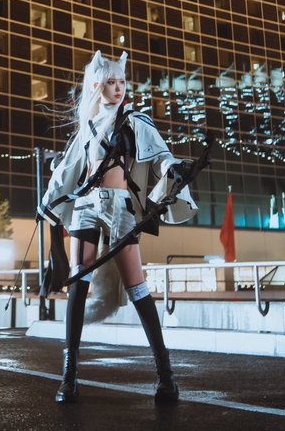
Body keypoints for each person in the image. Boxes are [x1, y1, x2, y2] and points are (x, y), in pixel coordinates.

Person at [38, 50, 198, 405]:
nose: (118, 88)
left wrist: (173, 168)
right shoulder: (88, 126)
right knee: (78, 281)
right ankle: (69, 377)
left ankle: (166, 375)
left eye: (121, 81)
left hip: (120, 206)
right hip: (85, 206)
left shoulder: (135, 121)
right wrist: (47, 208)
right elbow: (67, 171)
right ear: (97, 85)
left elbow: (160, 155)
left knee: (137, 287)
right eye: (111, 82)